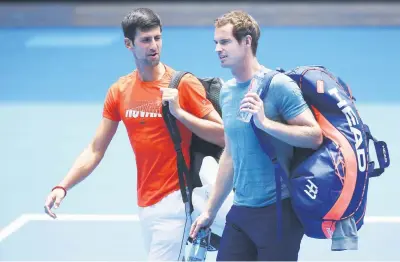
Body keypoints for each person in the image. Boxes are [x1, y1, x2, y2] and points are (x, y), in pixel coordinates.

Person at [43, 8, 226, 261]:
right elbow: (95, 149)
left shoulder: (183, 84)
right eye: (146, 39)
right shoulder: (119, 91)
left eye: (158, 38)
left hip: (177, 200)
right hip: (146, 202)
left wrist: (180, 113)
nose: (154, 45)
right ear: (129, 44)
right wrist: (63, 186)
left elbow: (223, 136)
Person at [190, 10, 323, 261]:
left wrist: (266, 123)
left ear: (247, 41)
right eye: (216, 43)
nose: (218, 49)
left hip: (278, 213)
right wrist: (210, 210)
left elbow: (314, 136)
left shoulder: (279, 85)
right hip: (240, 211)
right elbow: (230, 153)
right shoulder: (227, 93)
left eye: (225, 41)